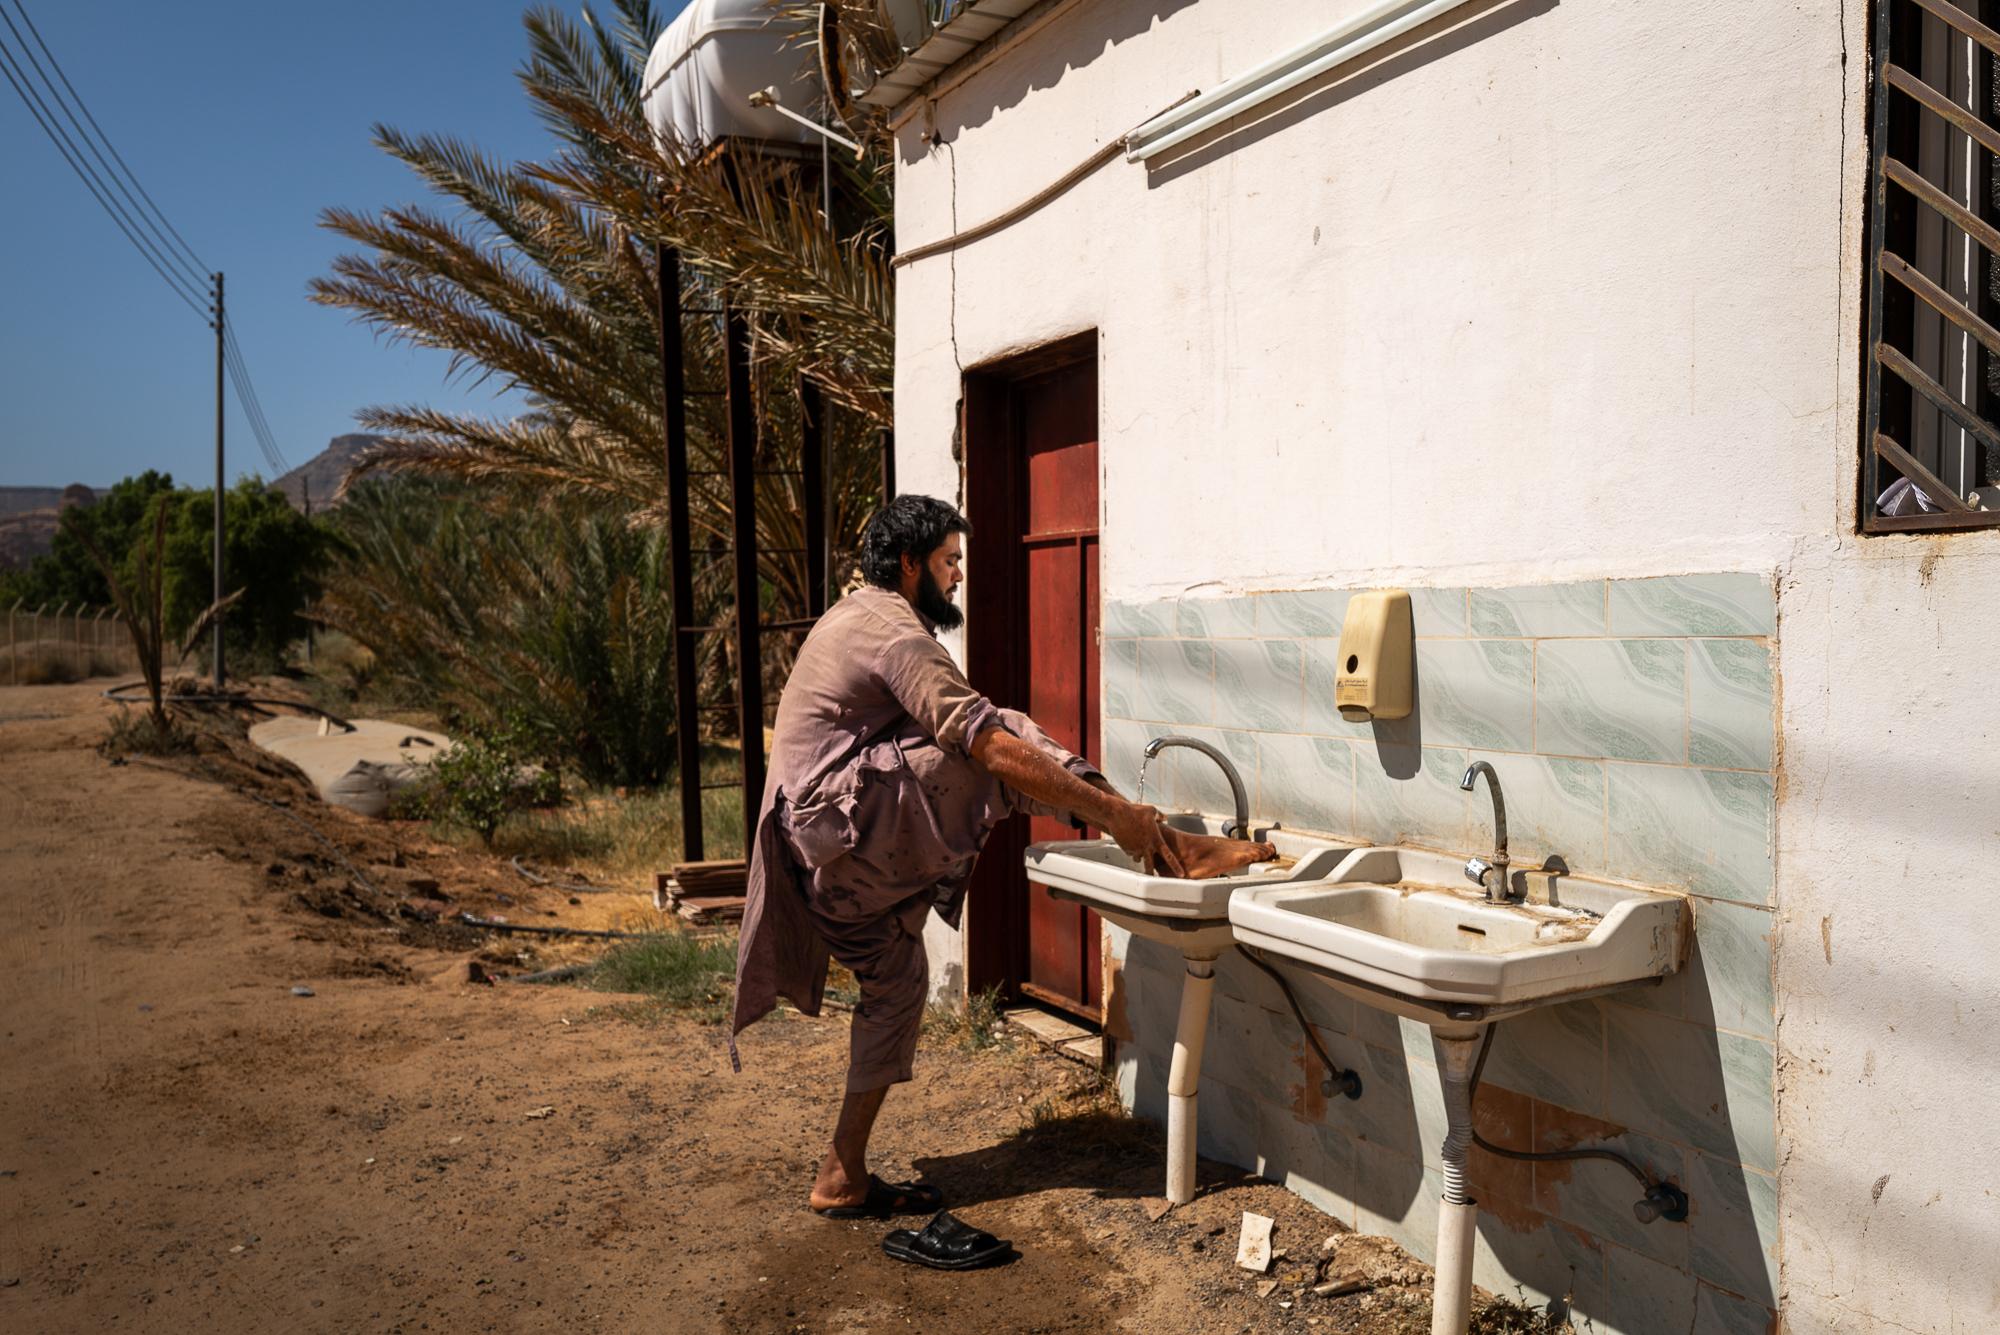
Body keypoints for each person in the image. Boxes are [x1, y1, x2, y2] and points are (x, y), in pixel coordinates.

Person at [730, 495, 1273, 1227]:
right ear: (908, 563)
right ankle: (1166, 844)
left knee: (899, 984)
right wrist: (1116, 815)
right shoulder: (890, 628)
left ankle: (841, 1172)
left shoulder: (853, 615)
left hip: (819, 862)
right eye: (949, 562)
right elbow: (982, 741)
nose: (958, 578)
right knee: (1003, 738)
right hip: (838, 845)